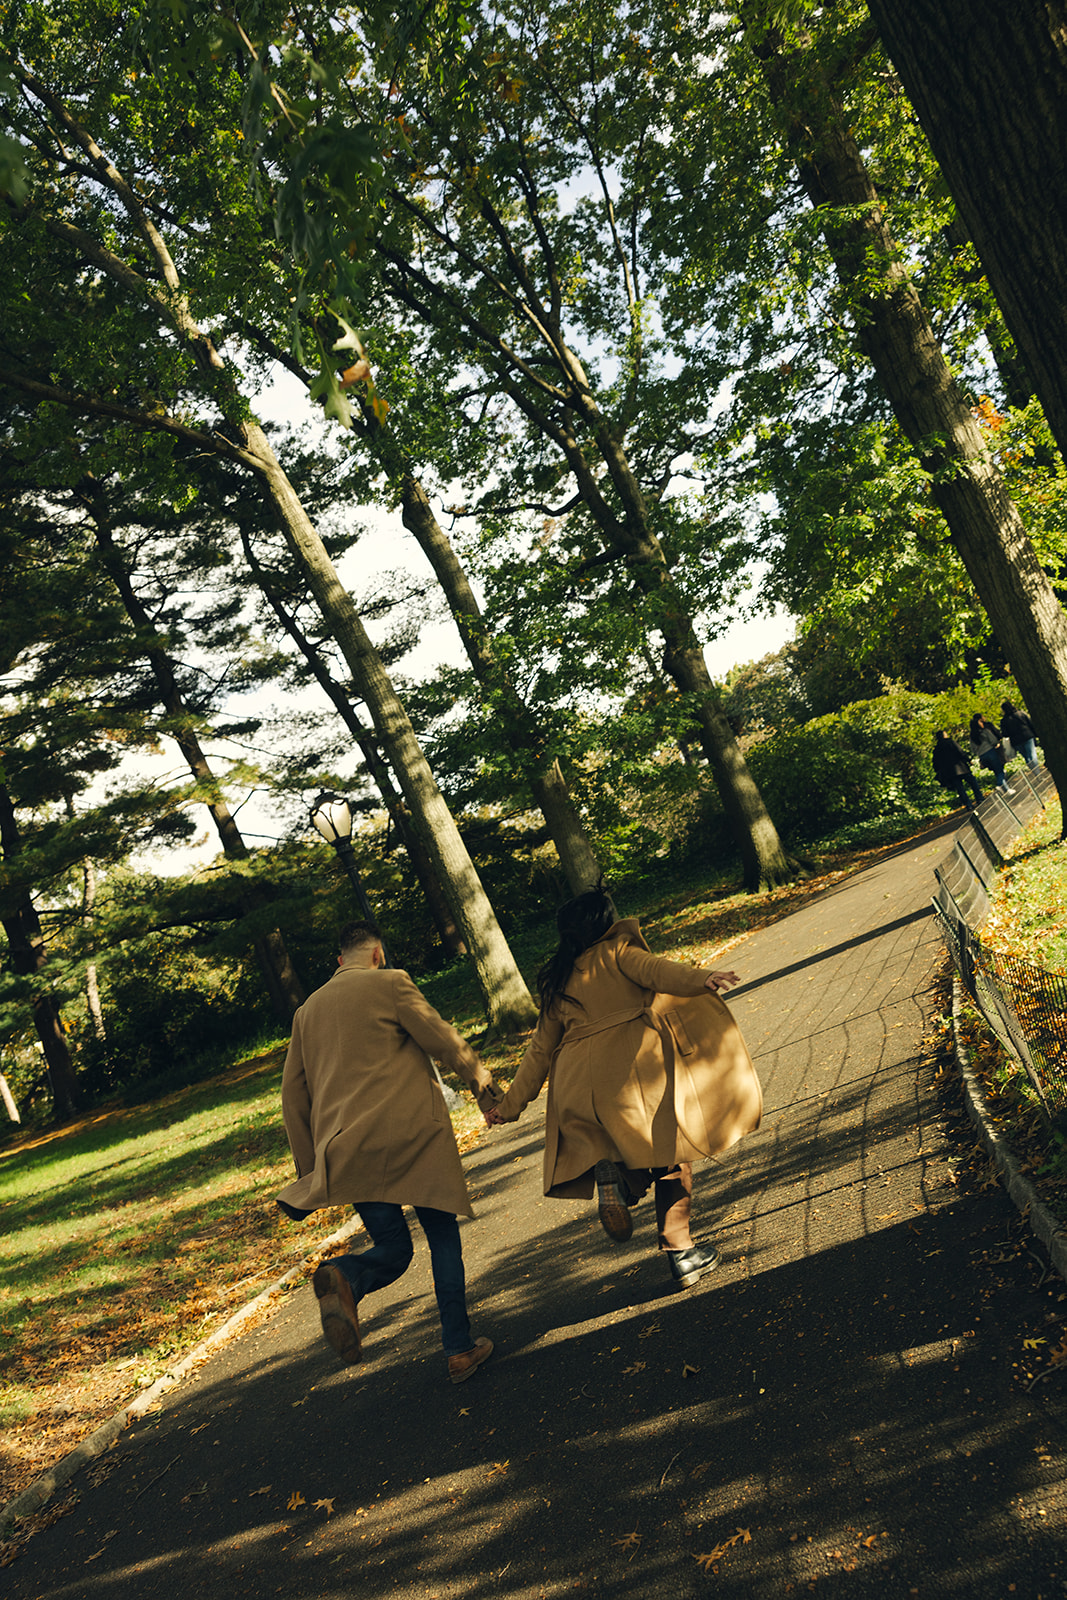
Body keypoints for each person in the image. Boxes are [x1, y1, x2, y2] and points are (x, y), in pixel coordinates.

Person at [486, 887, 762, 1289]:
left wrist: (507, 1107)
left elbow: (539, 1053)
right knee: (670, 1155)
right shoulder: (618, 953)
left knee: (624, 1154)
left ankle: (615, 1179)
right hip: (633, 1074)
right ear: (605, 923)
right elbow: (659, 971)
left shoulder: (559, 979)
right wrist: (704, 978)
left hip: (577, 1086)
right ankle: (681, 1252)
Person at [276, 921, 503, 1384]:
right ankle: (459, 1349)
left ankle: (345, 1274)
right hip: (413, 1139)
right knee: (441, 1237)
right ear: (378, 954)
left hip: (348, 1148)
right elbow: (441, 1038)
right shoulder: (392, 982)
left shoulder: (307, 1012)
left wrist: (310, 1169)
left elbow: (292, 1097)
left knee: (394, 1248)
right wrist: (483, 1084)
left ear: (340, 962)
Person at [932, 729, 983, 810]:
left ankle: (968, 805)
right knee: (972, 782)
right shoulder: (951, 742)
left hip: (950, 773)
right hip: (961, 767)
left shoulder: (936, 749)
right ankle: (979, 798)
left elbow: (935, 763)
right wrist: (968, 760)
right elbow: (960, 752)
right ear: (944, 735)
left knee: (960, 789)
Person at [969, 712, 1008, 790]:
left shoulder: (972, 737)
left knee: (996, 772)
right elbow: (993, 740)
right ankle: (999, 784)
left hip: (982, 755)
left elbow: (973, 749)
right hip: (990, 752)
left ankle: (1006, 789)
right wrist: (997, 744)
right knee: (1000, 770)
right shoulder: (984, 731)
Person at [1000, 700, 1039, 768]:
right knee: (1032, 755)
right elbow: (1030, 723)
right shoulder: (1021, 713)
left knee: (1026, 757)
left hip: (1016, 741)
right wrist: (1036, 734)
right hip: (1027, 736)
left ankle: (1035, 773)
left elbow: (1005, 734)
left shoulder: (1004, 721)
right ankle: (1037, 772)